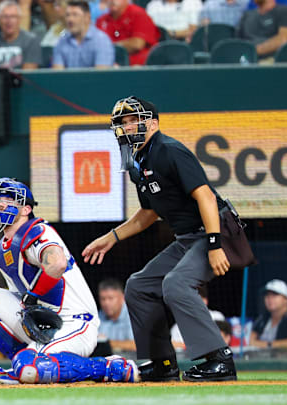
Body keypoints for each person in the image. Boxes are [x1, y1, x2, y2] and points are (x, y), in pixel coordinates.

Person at [82, 96, 237, 382]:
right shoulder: (138, 161)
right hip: (189, 238)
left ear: (152, 123)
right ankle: (162, 363)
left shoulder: (169, 150)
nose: (127, 127)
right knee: (139, 286)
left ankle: (220, 359)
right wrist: (112, 237)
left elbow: (205, 196)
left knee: (176, 283)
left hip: (217, 232)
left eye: (133, 120)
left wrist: (215, 244)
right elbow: (148, 214)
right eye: (122, 122)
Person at [0, 178, 138, 384]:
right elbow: (18, 298)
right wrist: (28, 303)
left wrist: (32, 296)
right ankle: (22, 362)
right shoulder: (2, 252)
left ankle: (110, 367)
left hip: (75, 322)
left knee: (32, 368)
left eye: (8, 200)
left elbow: (57, 263)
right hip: (43, 323)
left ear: (26, 209)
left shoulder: (38, 231)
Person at [52, 0, 114, 69]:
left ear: (87, 17)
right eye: (67, 15)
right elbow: (57, 75)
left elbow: (102, 76)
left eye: (75, 15)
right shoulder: (62, 41)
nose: (70, 19)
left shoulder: (102, 41)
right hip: (67, 80)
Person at [96, 0, 159, 65]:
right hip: (108, 65)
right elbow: (95, 46)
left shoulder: (138, 14)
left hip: (139, 68)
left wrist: (107, 47)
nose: (112, 1)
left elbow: (137, 44)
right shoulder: (101, 20)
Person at [0, 0, 41, 69]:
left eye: (13, 16)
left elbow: (29, 74)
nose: (9, 21)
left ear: (19, 19)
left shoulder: (31, 40)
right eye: (5, 17)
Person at [249, 279, 287, 349]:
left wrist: (269, 345)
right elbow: (250, 342)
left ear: (286, 299)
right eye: (267, 295)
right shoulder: (263, 319)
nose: (270, 299)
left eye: (274, 295)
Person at [97, 278, 135, 351]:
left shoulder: (134, 315)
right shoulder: (98, 316)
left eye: (110, 298)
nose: (106, 303)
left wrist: (106, 344)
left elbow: (137, 346)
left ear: (123, 298)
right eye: (103, 299)